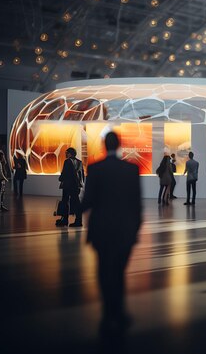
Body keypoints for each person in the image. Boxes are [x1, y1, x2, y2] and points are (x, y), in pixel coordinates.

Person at [80, 132, 141, 336]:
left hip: (102, 230)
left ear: (104, 145)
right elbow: (136, 203)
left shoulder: (95, 169)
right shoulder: (132, 170)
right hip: (124, 230)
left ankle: (108, 313)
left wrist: (74, 208)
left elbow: (88, 201)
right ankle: (119, 311)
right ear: (120, 145)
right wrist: (135, 228)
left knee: (104, 271)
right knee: (119, 272)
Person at [57, 147, 84, 227]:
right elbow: (81, 175)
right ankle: (78, 220)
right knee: (76, 202)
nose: (65, 154)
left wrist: (60, 178)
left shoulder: (67, 161)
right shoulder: (79, 162)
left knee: (65, 202)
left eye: (66, 152)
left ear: (70, 153)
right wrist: (80, 185)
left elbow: (65, 173)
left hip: (67, 185)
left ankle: (65, 220)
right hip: (76, 186)